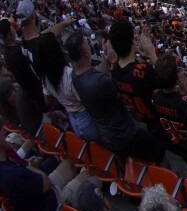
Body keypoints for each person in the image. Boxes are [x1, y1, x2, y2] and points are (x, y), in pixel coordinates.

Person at [68, 32, 167, 164]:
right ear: (86, 52)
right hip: (125, 135)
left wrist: (107, 60)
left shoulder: (75, 76)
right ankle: (171, 180)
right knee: (159, 151)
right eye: (88, 44)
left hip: (108, 136)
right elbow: (125, 88)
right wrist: (117, 61)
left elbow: (97, 74)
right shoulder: (100, 82)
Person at [32, 31, 99, 141]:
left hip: (72, 117)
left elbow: (48, 101)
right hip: (85, 117)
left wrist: (65, 101)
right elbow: (86, 99)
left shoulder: (46, 77)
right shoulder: (70, 74)